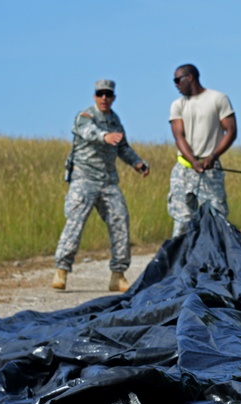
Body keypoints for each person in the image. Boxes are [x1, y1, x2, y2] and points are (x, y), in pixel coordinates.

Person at [53, 79, 149, 292]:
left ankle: (118, 274)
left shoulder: (115, 120)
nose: (104, 98)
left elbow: (123, 147)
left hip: (108, 181)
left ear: (114, 97)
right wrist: (105, 136)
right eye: (100, 94)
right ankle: (61, 271)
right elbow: (89, 133)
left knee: (120, 220)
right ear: (94, 96)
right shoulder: (85, 117)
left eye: (108, 94)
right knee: (75, 222)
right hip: (84, 178)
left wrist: (138, 163)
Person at [169, 64, 237, 236]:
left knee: (217, 218)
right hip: (183, 170)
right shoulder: (177, 105)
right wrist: (193, 161)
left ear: (190, 77)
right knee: (182, 223)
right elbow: (179, 136)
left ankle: (218, 260)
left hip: (210, 169)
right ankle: (181, 261)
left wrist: (213, 156)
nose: (176, 85)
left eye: (178, 80)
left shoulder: (218, 99)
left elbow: (231, 130)